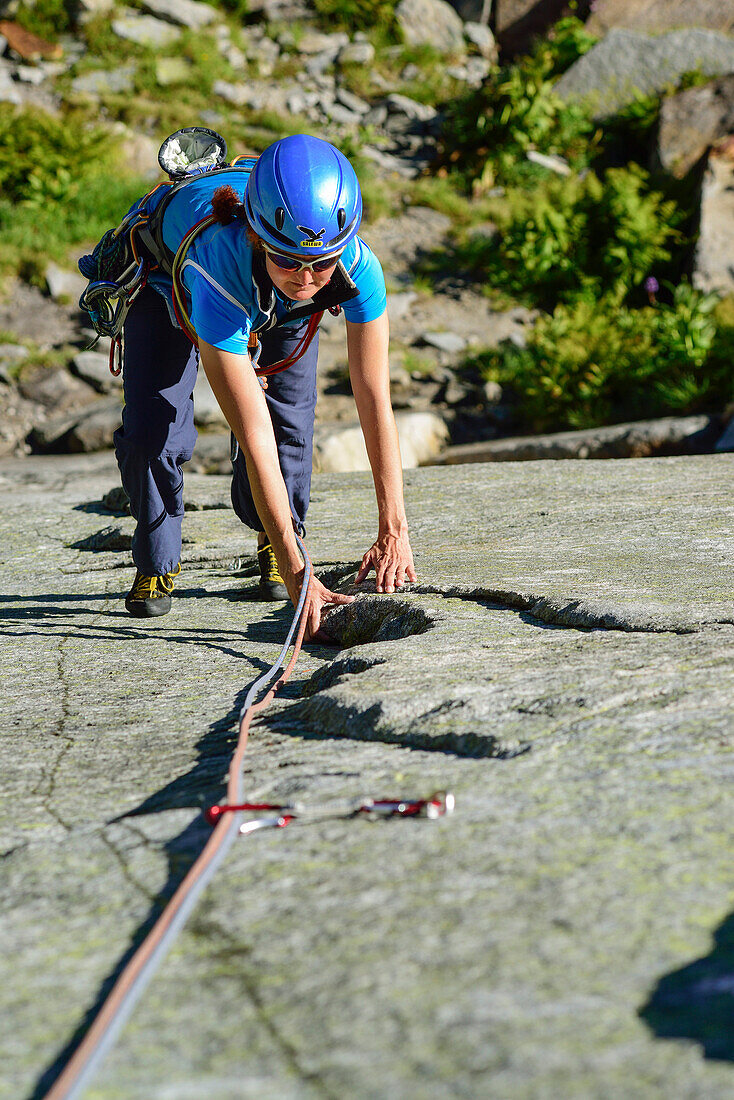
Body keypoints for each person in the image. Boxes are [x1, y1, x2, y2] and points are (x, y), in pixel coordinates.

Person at [110, 132, 417, 639]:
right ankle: (158, 558)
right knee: (151, 430)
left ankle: (276, 541)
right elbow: (251, 436)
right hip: (168, 281)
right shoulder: (217, 272)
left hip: (268, 302)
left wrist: (395, 530)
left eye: (321, 264)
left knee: (291, 422)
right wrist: (303, 578)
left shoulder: (355, 267)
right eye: (289, 260)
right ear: (257, 235)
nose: (305, 278)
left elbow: (374, 399)